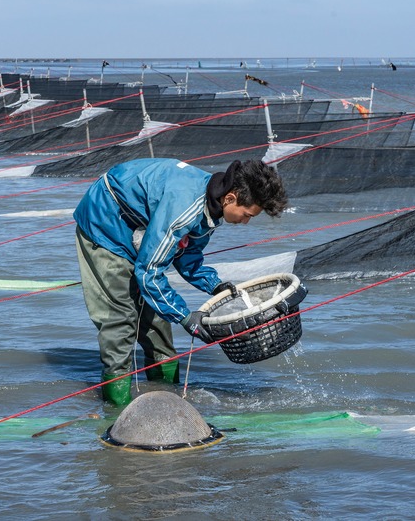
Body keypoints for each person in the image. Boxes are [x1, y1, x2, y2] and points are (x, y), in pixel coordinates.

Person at [73, 158, 288, 405]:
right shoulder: (185, 209)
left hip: (141, 226)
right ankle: (116, 409)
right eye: (247, 214)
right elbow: (150, 272)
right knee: (121, 320)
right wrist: (185, 317)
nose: (246, 221)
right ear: (230, 198)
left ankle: (166, 400)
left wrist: (214, 285)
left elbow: (188, 255)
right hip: (106, 223)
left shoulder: (212, 206)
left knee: (157, 321)